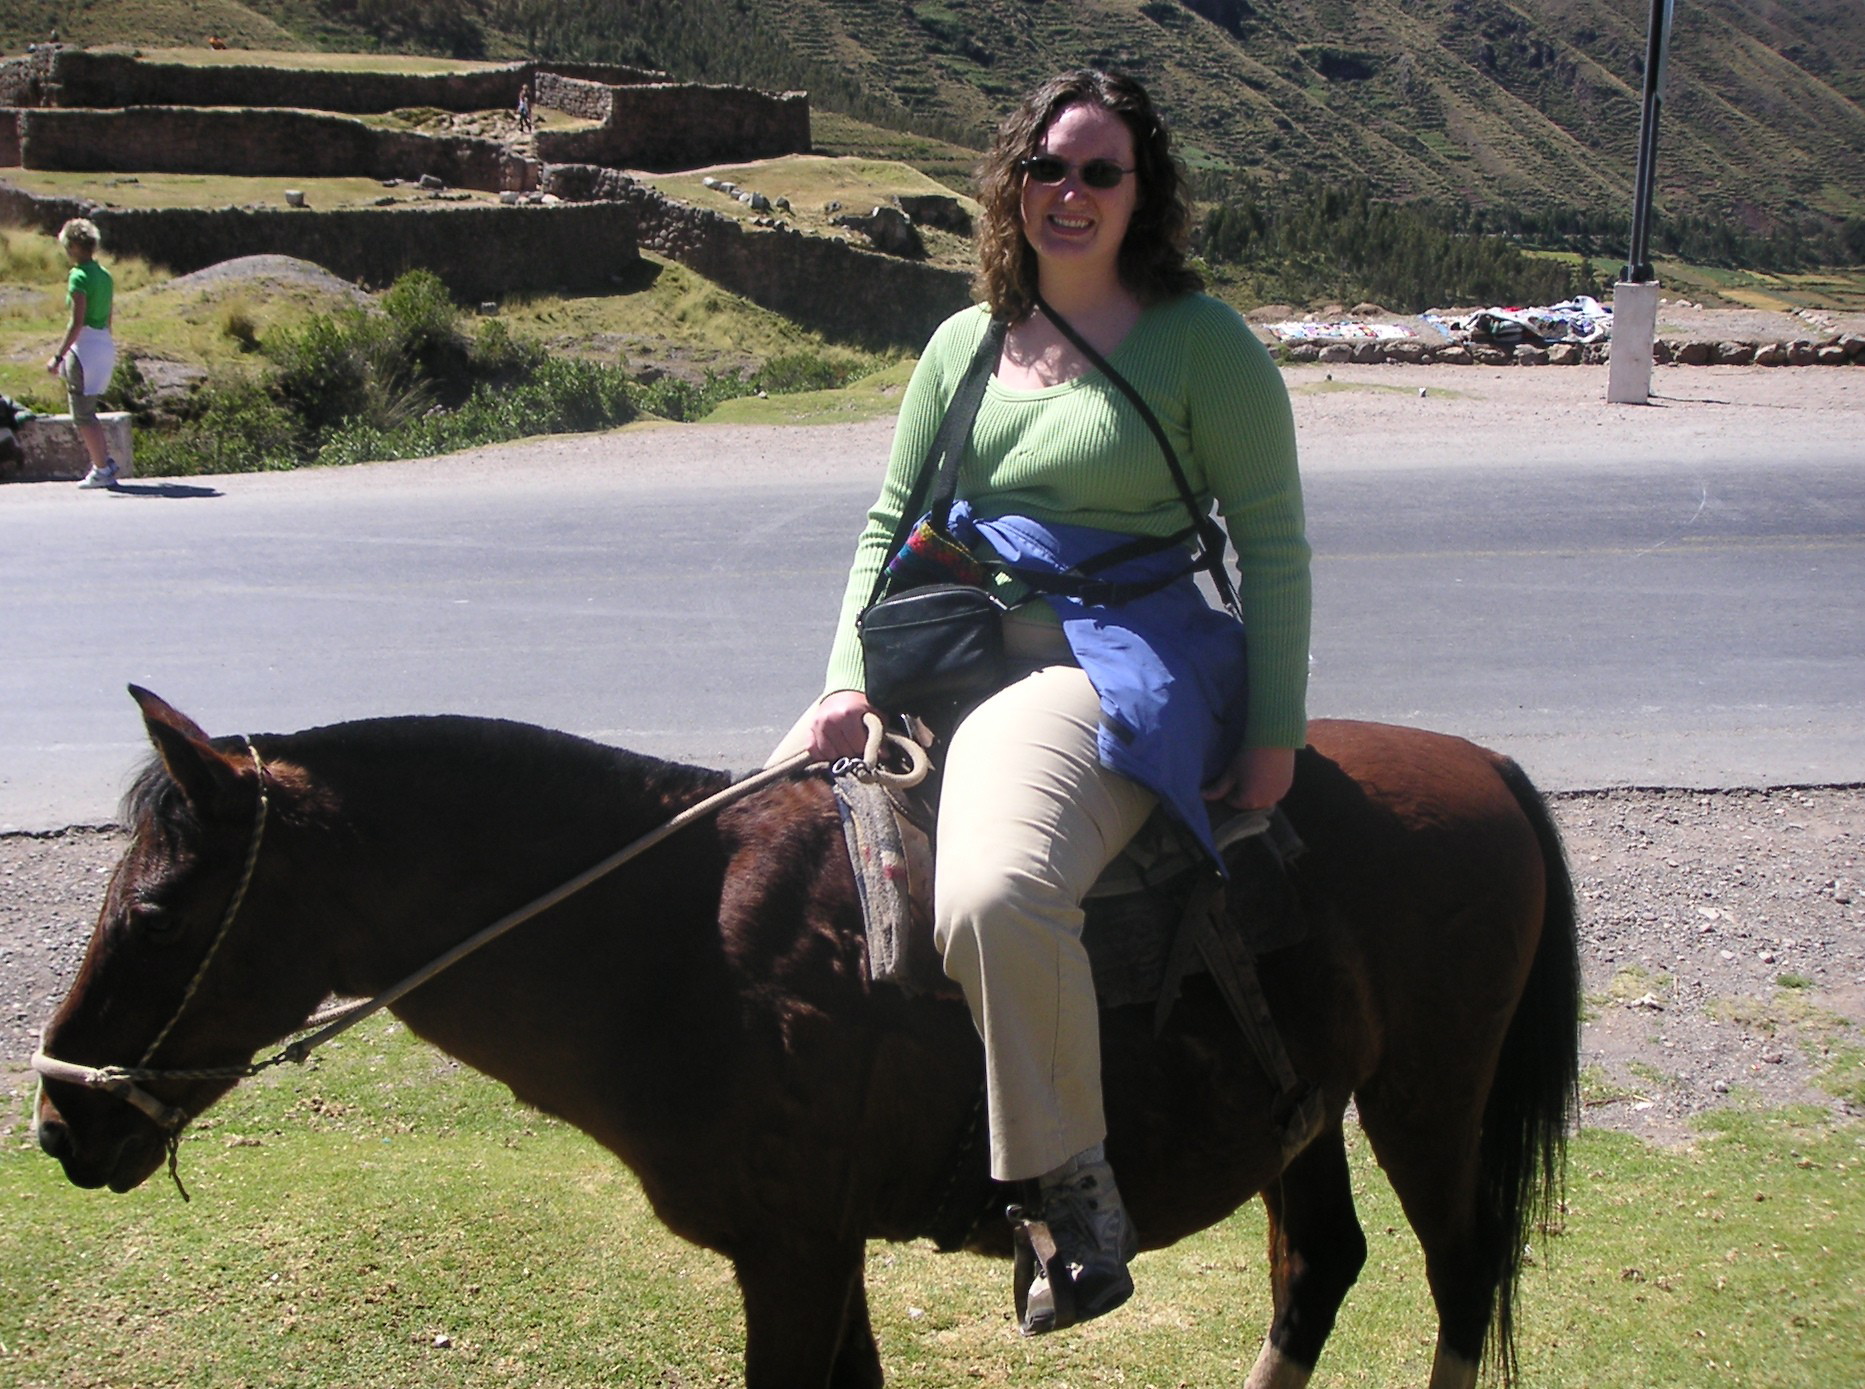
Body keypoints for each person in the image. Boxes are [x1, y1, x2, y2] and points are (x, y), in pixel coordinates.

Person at [779, 69, 1310, 1333]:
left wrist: (1276, 734)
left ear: (1143, 195)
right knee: (755, 866)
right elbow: (888, 523)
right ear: (1011, 185)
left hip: (1109, 659)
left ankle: (1073, 1195)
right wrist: (845, 677)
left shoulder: (1202, 346)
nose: (1068, 194)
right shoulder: (963, 344)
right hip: (940, 653)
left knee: (991, 892)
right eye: (1047, 169)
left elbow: (1275, 549)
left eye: (1099, 172)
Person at [46, 218, 119, 489]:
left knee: (82, 415)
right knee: (90, 410)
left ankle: (102, 467)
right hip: (103, 345)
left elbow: (76, 322)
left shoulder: (79, 276)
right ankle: (103, 463)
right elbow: (108, 316)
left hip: (85, 349)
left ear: (75, 246)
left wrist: (58, 356)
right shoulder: (105, 275)